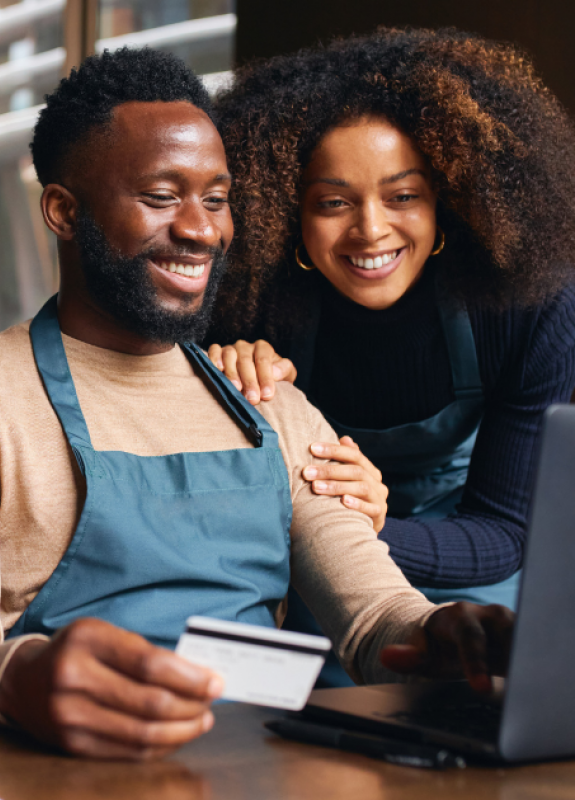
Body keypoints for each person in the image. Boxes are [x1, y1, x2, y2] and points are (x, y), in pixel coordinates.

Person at [0, 47, 512, 761]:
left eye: (215, 199)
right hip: (48, 775)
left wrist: (445, 636)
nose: (202, 229)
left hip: (253, 773)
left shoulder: (267, 403)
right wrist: (21, 676)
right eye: (160, 196)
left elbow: (375, 619)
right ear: (63, 211)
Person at [206, 29, 575, 647]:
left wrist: (372, 526)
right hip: (315, 579)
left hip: (471, 574)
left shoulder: (529, 304)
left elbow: (505, 534)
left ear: (446, 201)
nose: (371, 230)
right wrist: (227, 379)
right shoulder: (251, 306)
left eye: (402, 195)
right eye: (332, 203)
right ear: (287, 210)